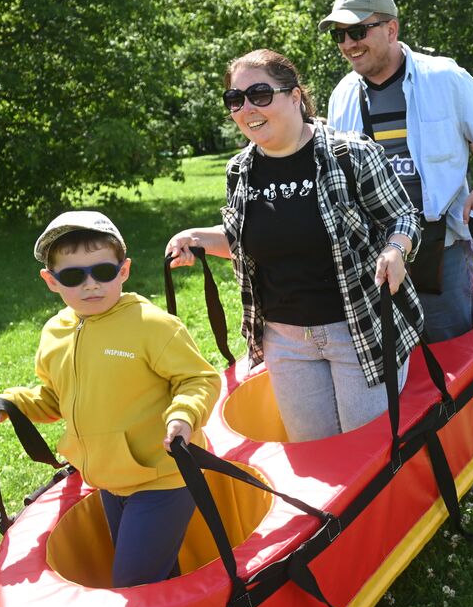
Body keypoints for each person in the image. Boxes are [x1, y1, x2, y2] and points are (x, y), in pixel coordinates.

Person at [165, 49, 424, 444]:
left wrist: (396, 249)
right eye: (236, 99)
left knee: (367, 453)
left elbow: (403, 216)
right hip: (285, 342)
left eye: (260, 94)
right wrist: (196, 238)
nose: (247, 107)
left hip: (358, 330)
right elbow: (245, 241)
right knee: (313, 452)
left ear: (295, 96)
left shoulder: (350, 153)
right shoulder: (240, 170)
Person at [0, 212, 222, 588]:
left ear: (124, 270)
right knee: (156, 579)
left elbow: (198, 378)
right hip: (108, 480)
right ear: (50, 280)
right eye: (73, 276)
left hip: (164, 477)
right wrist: (9, 404)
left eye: (102, 271)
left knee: (133, 581)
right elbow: (54, 400)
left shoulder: (152, 326)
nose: (90, 285)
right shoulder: (56, 332)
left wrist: (183, 416)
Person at [320, 0, 473, 343]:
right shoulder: (342, 95)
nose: (348, 44)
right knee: (392, 373)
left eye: (358, 31)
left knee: (452, 359)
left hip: (442, 252)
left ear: (391, 29)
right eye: (340, 35)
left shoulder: (445, 78)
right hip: (374, 258)